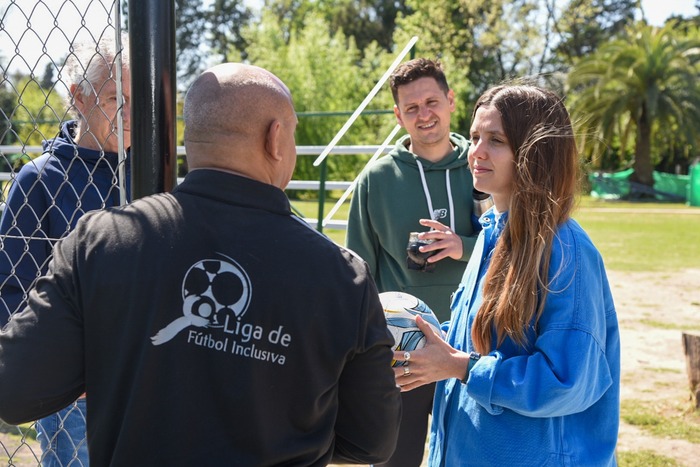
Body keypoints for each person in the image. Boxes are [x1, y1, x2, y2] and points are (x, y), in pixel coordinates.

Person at [0, 62, 402, 466]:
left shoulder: (100, 241)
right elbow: (370, 442)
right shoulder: (341, 276)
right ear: (276, 139)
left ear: (192, 135)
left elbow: (13, 389)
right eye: (294, 132)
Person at [394, 83, 621, 466]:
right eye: (475, 137)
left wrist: (461, 367)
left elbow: (567, 381)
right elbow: (480, 341)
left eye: (496, 140)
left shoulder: (567, 251)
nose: (476, 152)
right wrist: (419, 338)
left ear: (535, 152)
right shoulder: (490, 234)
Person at [346, 57, 484, 467]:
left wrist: (464, 246)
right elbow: (359, 273)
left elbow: (516, 246)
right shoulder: (376, 179)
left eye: (431, 101)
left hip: (476, 344)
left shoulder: (484, 166)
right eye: (411, 108)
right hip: (403, 349)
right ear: (398, 115)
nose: (424, 115)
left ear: (450, 99)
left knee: (469, 457)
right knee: (396, 459)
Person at [0, 35, 131, 466]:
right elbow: (12, 290)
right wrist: (59, 369)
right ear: (79, 97)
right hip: (77, 395)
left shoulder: (154, 174)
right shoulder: (40, 181)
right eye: (117, 98)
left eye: (139, 100)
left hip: (146, 381)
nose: (129, 114)